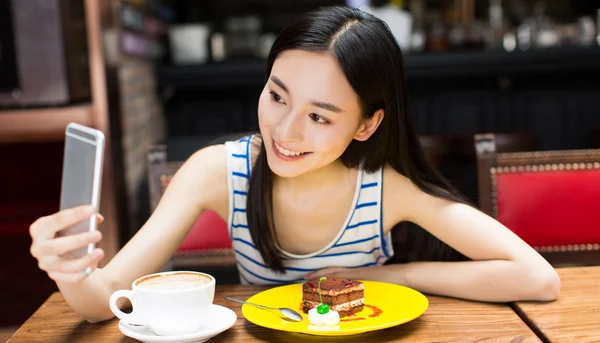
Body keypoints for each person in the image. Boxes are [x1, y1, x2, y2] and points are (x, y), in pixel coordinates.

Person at [29, 6, 560, 323]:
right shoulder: (217, 171)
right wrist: (70, 272)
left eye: (320, 117)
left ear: (366, 126)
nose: (286, 132)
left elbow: (537, 278)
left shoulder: (383, 188)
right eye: (277, 97)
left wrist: (376, 275)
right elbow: (105, 303)